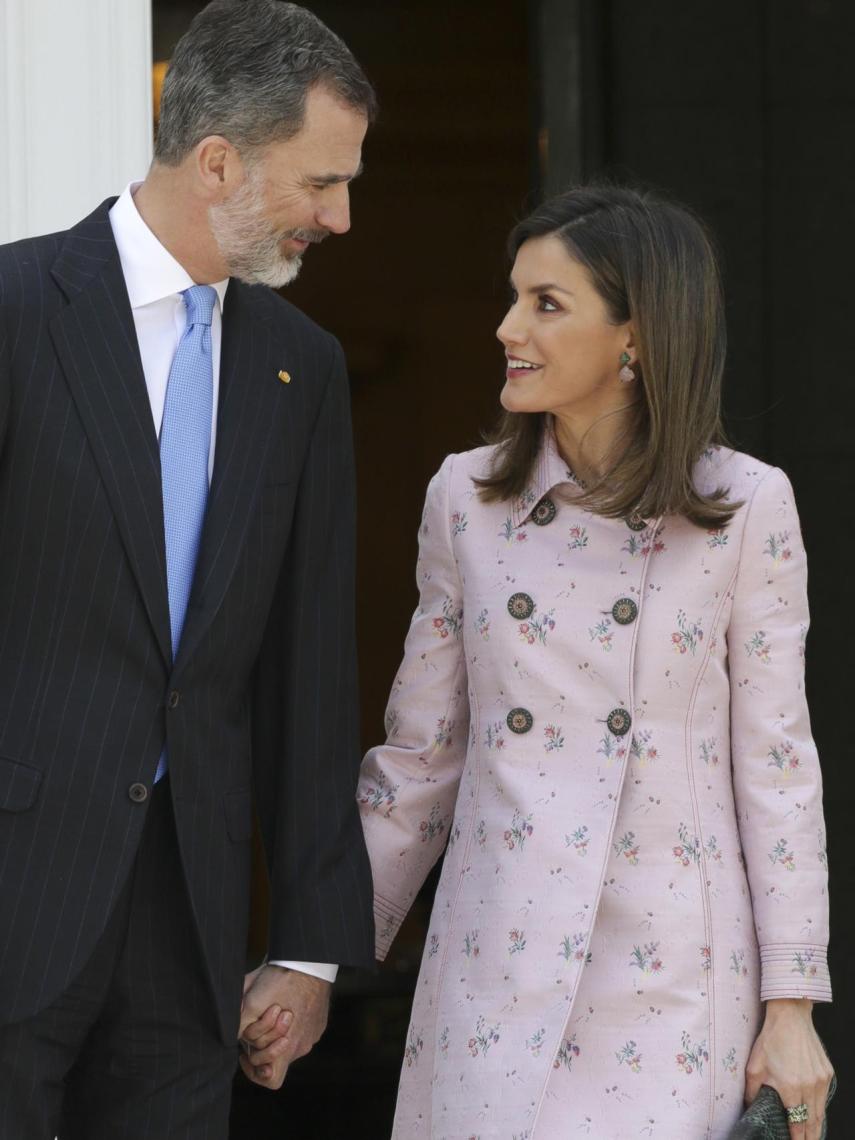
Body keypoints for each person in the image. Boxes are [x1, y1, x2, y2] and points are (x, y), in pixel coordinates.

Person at [354, 186, 833, 1138]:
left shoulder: (743, 506)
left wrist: (792, 1010)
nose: (505, 328)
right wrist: (317, 958)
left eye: (545, 303)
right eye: (512, 297)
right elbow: (418, 760)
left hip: (672, 977)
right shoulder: (463, 500)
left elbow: (776, 765)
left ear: (637, 338)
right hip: (497, 963)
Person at [0, 1, 376, 1135]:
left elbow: (312, 669)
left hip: (192, 931)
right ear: (218, 161)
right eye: (321, 182)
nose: (343, 217)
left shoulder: (303, 371)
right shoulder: (14, 314)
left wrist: (310, 948)